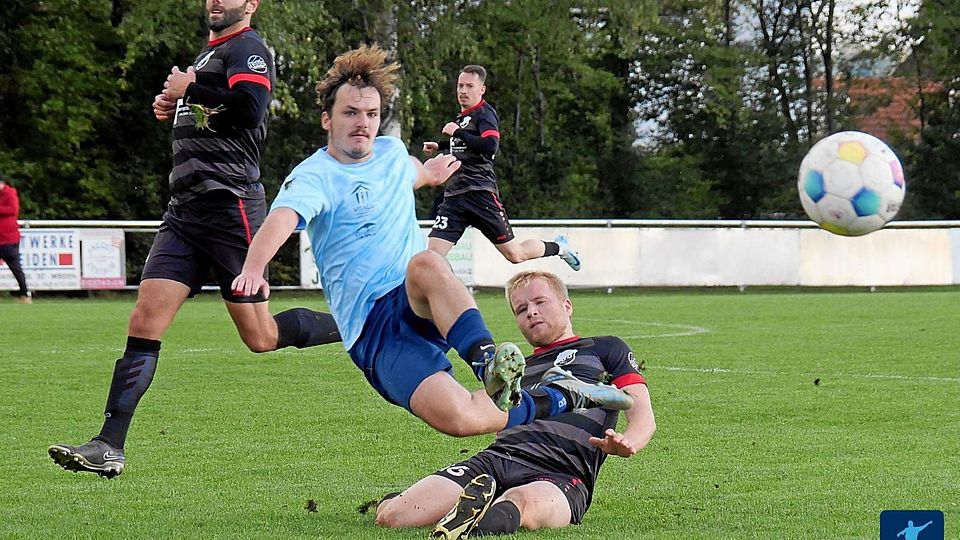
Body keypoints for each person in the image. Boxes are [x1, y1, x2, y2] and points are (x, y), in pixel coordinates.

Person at [231, 45, 633, 442]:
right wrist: (253, 268)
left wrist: (432, 171)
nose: (362, 123)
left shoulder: (388, 152)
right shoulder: (314, 176)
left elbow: (411, 173)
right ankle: (563, 395)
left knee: (425, 263)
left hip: (412, 294)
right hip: (373, 330)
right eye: (350, 113)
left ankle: (487, 361)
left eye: (371, 114)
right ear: (327, 119)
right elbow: (281, 219)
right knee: (461, 418)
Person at [48, 0, 341, 479]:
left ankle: (357, 323)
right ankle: (109, 444)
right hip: (184, 212)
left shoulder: (249, 47)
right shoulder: (209, 56)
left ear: (251, 5)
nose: (215, 0)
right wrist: (175, 104)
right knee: (144, 319)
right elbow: (215, 111)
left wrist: (192, 88)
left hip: (230, 208)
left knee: (261, 337)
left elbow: (250, 108)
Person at [375, 270, 656, 539]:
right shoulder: (512, 367)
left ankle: (480, 516)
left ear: (567, 305)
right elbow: (484, 415)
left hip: (561, 473)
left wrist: (628, 442)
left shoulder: (604, 348)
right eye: (521, 309)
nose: (531, 312)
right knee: (393, 516)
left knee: (522, 506)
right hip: (497, 460)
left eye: (539, 302)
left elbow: (642, 414)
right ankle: (463, 503)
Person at [422, 65, 582, 271]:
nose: (463, 91)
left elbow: (489, 146)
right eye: (460, 85)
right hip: (455, 197)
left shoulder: (485, 114)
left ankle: (560, 247)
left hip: (480, 194)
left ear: (482, 89)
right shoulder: (462, 118)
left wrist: (457, 133)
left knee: (516, 254)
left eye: (469, 86)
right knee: (431, 258)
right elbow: (468, 146)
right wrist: (440, 146)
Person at [0, 174, 31, 304]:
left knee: (15, 268)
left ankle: (25, 294)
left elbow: (13, 210)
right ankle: (24, 294)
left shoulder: (10, 194)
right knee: (16, 268)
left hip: (8, 238)